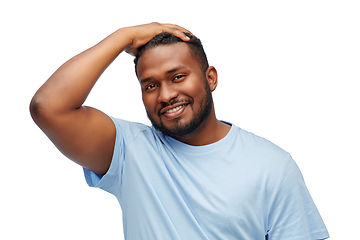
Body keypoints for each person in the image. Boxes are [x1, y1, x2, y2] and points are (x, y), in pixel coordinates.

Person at [30, 22, 329, 240]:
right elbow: (48, 107)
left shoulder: (273, 166)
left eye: (178, 77)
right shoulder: (129, 151)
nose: (165, 95)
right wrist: (124, 37)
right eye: (150, 85)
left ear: (210, 78)